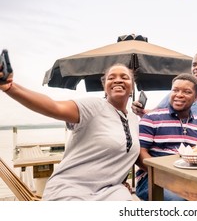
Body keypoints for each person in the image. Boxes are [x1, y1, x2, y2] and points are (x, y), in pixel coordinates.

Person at [0, 63, 140, 200]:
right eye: (111, 77)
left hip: (109, 192)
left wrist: (119, 179)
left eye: (124, 77)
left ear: (132, 87)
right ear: (105, 88)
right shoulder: (94, 106)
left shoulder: (134, 120)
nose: (118, 80)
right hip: (71, 190)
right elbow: (55, 107)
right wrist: (11, 87)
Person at [135, 73, 197, 201]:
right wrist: (167, 173)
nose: (179, 95)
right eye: (175, 90)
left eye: (186, 92)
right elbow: (140, 153)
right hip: (152, 178)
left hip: (190, 178)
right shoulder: (151, 118)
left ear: (196, 98)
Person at [132, 52, 197, 129]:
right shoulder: (178, 94)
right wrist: (139, 110)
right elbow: (155, 112)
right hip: (185, 147)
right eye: (194, 64)